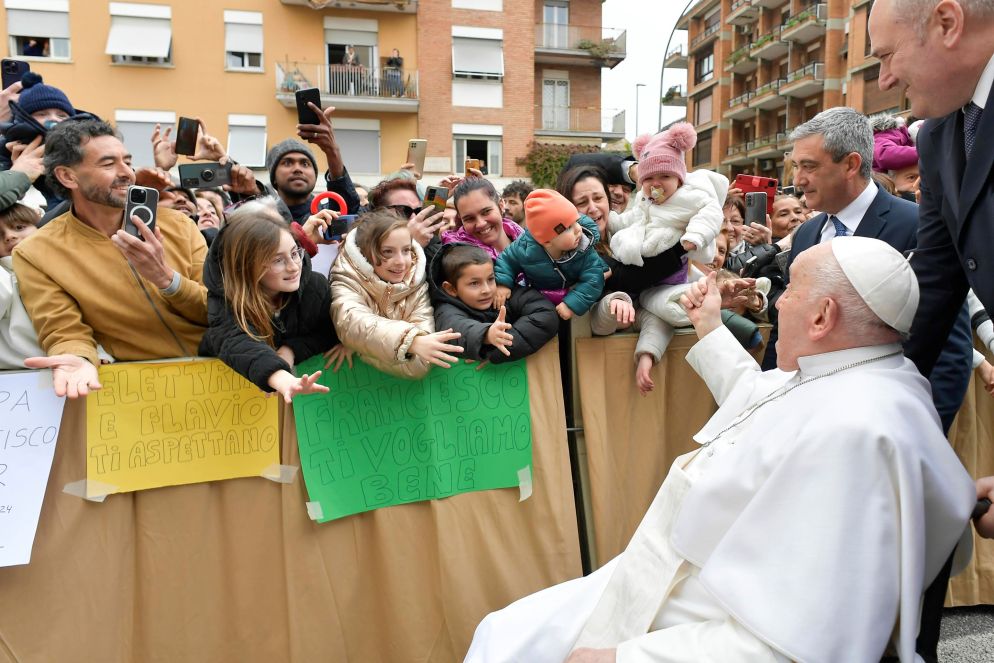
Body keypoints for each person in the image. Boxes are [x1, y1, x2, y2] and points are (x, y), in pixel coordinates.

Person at [466, 237, 975, 663]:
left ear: (823, 316)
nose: (776, 301)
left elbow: (793, 638)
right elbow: (757, 398)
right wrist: (708, 324)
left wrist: (622, 657)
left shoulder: (857, 430)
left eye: (790, 290)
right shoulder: (865, 370)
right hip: (666, 570)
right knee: (503, 631)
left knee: (509, 644)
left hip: (700, 606)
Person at [869, 2, 994, 656]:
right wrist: (859, 385)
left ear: (947, 23)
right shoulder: (941, 136)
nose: (885, 81)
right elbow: (938, 289)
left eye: (888, 56)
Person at [13, 119, 208, 397]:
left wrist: (167, 280)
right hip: (139, 394)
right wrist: (78, 359)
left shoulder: (179, 224)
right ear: (68, 177)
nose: (127, 172)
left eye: (127, 161)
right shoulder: (36, 253)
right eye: (108, 164)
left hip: (221, 375)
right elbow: (63, 329)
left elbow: (220, 310)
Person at [198, 200, 335, 402]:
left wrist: (291, 350)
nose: (293, 267)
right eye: (278, 260)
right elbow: (236, 342)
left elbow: (328, 332)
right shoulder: (227, 300)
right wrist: (280, 377)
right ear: (246, 265)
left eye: (295, 253)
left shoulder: (315, 287)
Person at [330, 210, 462, 379]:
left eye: (406, 250)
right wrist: (410, 341)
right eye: (387, 252)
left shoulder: (416, 282)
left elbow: (419, 364)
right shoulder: (345, 277)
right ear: (363, 253)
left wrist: (362, 348)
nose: (400, 261)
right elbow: (351, 322)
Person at [608, 123, 724, 269]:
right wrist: (613, 222)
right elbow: (635, 216)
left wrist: (696, 235)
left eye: (665, 176)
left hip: (674, 259)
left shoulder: (690, 195)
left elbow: (711, 212)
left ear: (679, 180)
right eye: (648, 179)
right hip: (646, 255)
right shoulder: (644, 198)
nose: (656, 184)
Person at [430, 243, 558, 364]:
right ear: (451, 289)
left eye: (491, 279)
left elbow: (546, 314)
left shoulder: (502, 294)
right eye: (474, 283)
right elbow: (455, 330)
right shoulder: (446, 309)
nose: (486, 290)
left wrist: (495, 353)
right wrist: (486, 334)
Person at [494, 189, 607, 321]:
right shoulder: (524, 248)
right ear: (546, 241)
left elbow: (594, 280)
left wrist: (572, 303)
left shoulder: (584, 250)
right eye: (568, 228)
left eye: (576, 221)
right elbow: (507, 260)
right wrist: (503, 283)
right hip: (541, 296)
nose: (578, 229)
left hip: (573, 292)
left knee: (574, 320)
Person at [0, 203, 42, 369]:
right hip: (15, 376)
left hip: (75, 365)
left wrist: (99, 351)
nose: (9, 236)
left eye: (19, 227)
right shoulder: (4, 275)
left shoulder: (67, 264)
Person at [444, 177, 523, 259]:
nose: (480, 224)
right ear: (461, 219)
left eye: (486, 212)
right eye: (469, 218)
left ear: (501, 205)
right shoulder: (457, 258)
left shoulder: (532, 242)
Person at [563, 152, 638, 213]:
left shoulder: (635, 228)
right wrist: (632, 170)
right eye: (612, 184)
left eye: (626, 189)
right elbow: (574, 163)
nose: (619, 193)